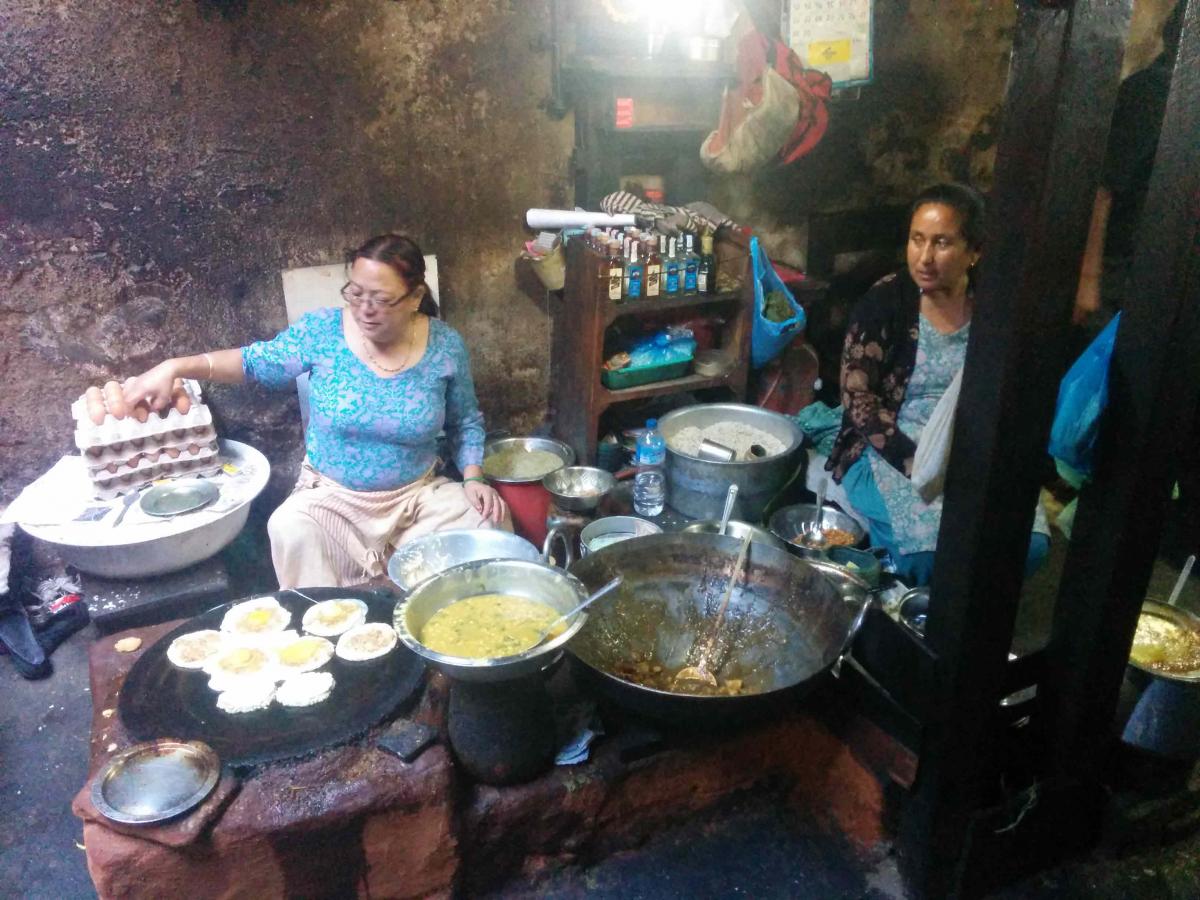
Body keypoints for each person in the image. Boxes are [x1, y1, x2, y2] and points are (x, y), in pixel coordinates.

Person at [124, 233, 510, 588]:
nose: (365, 309)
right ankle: (333, 639)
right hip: (333, 501)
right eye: (356, 294)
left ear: (414, 297)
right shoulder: (322, 333)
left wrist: (474, 477)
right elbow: (254, 362)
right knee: (290, 528)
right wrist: (174, 366)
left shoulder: (444, 345)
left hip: (416, 499)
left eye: (381, 298)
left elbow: (465, 420)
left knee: (487, 522)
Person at [826, 183, 1050, 585]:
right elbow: (858, 399)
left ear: (974, 251)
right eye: (917, 240)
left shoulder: (993, 306)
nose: (925, 258)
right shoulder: (885, 303)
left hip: (971, 440)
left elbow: (1014, 387)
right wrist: (918, 464)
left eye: (942, 243)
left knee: (1025, 543)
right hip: (892, 445)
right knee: (930, 555)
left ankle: (981, 619)